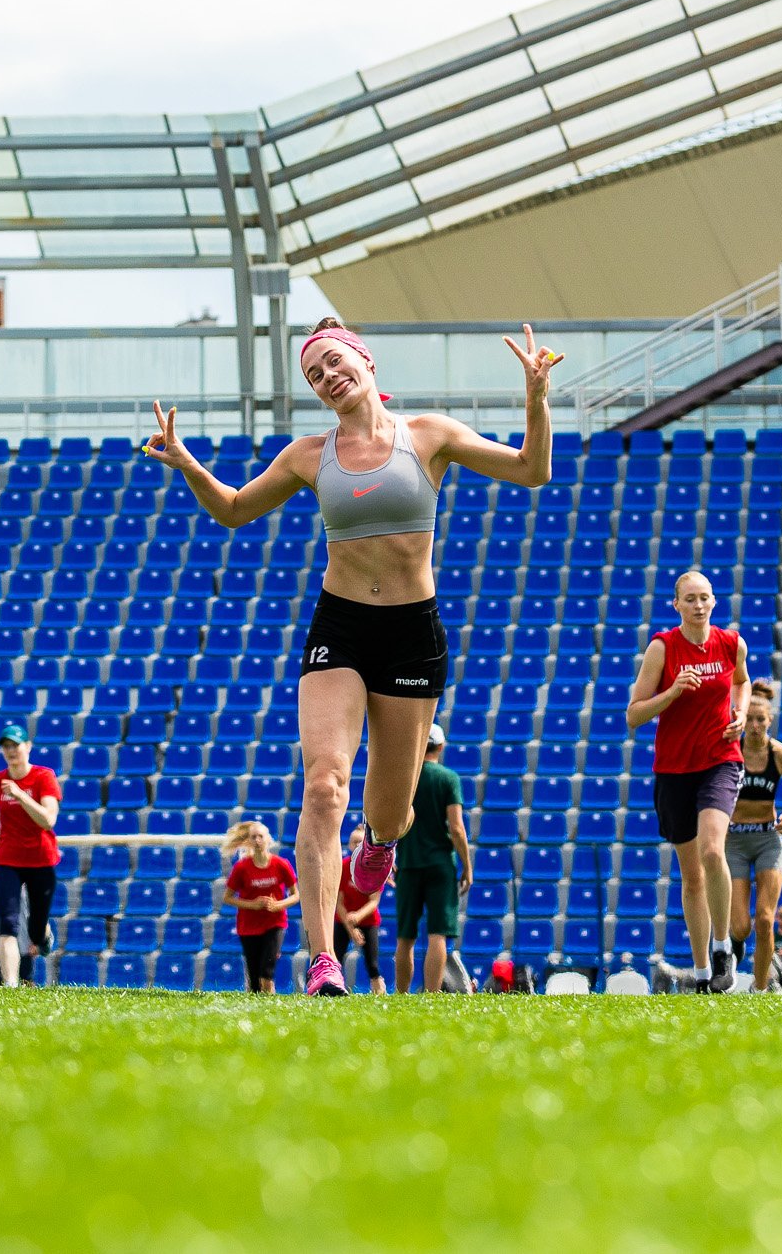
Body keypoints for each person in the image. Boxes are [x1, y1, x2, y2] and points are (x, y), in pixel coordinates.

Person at [147, 320, 561, 996]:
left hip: (411, 634)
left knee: (390, 814)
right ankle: (323, 960)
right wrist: (188, 462)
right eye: (315, 375)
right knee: (323, 786)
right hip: (340, 628)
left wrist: (536, 398)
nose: (328, 377)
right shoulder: (309, 455)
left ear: (365, 361)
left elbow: (531, 470)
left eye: (335, 362)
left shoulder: (429, 434)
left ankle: (379, 844)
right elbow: (234, 510)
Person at [626, 569, 751, 993]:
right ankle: (701, 974)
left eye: (705, 597)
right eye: (690, 599)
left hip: (720, 760)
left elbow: (742, 681)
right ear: (676, 604)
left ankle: (723, 949)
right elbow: (634, 715)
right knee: (691, 875)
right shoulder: (662, 647)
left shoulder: (731, 643)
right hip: (674, 769)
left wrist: (740, 713)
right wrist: (673, 692)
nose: (699, 605)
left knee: (713, 851)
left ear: (714, 601)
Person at [726, 682, 782, 991]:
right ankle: (734, 944)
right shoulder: (729, 750)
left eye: (761, 720)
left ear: (770, 721)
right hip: (734, 841)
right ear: (741, 719)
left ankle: (760, 989)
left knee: (764, 919)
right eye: (749, 719)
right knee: (741, 926)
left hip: (767, 839)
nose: (755, 725)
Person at [0, 724, 61, 987]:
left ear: (28, 747)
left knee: (35, 929)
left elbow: (48, 820)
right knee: (7, 923)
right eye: (6, 746)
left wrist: (20, 795)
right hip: (8, 858)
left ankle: (43, 933)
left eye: (15, 745)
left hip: (40, 858)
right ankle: (11, 985)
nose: (10, 751)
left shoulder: (44, 776)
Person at [393, 723, 472, 993]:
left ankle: (401, 995)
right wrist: (467, 866)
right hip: (440, 865)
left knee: (405, 936)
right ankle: (432, 994)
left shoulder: (406, 779)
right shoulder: (448, 778)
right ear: (440, 746)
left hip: (408, 863)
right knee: (437, 934)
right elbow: (457, 828)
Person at [221, 821, 297, 993]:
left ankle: (271, 1005)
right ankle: (255, 1005)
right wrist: (252, 905)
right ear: (248, 841)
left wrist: (278, 905)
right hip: (248, 926)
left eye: (260, 836)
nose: (257, 840)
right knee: (255, 980)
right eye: (253, 837)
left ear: (268, 839)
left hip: (275, 923)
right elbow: (227, 897)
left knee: (267, 973)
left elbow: (295, 895)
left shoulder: (281, 864)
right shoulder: (241, 867)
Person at [333, 827, 385, 994]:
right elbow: (338, 902)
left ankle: (380, 994)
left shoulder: (374, 867)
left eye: (360, 842)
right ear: (349, 845)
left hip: (368, 920)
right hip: (343, 919)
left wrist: (357, 916)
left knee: (373, 965)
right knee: (336, 959)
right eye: (354, 842)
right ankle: (334, 990)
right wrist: (351, 928)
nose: (357, 846)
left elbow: (374, 901)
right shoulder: (343, 867)